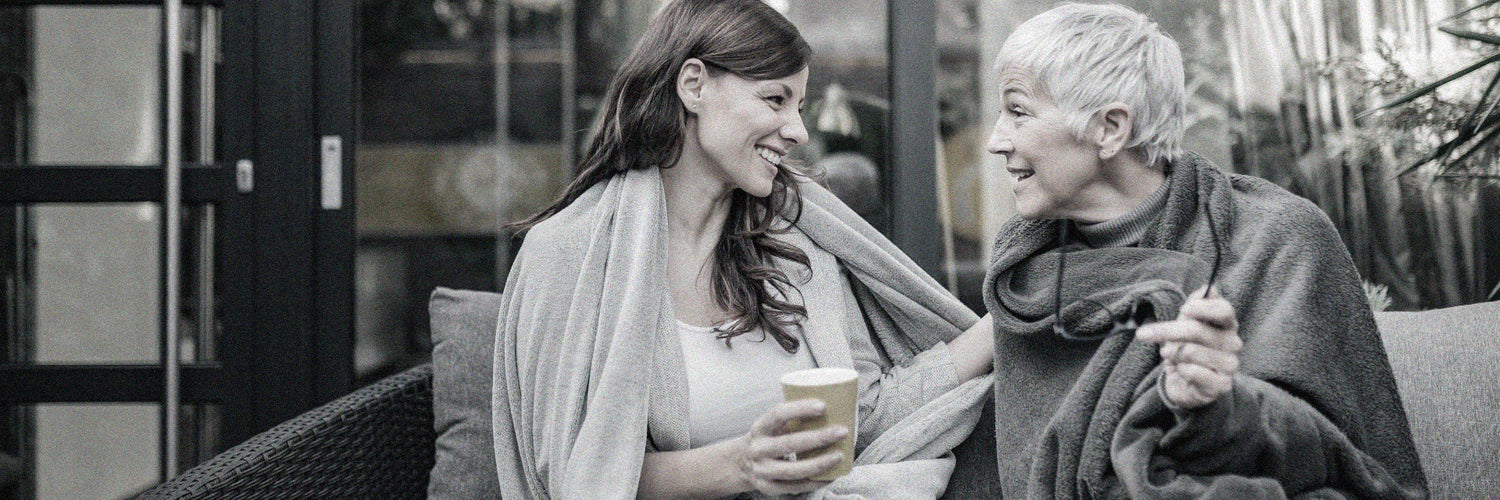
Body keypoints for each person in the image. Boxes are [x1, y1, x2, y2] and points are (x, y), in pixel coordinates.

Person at [490, 0, 996, 498]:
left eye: (799, 106)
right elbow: (577, 474)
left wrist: (1002, 324)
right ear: (694, 85)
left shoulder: (795, 248)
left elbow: (865, 417)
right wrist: (741, 466)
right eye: (775, 100)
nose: (798, 130)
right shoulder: (567, 255)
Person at [978, 3, 1426, 498]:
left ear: (1110, 129)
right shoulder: (1026, 273)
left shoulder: (1278, 237)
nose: (996, 141)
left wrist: (1218, 405)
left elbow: (1339, 463)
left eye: (1017, 111)